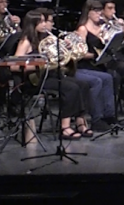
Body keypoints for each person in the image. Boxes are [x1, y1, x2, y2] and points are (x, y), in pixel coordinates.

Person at [14, 9, 89, 138]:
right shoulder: (26, 42)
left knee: (82, 84)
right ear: (33, 24)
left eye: (45, 21)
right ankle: (64, 126)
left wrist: (67, 48)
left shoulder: (47, 38)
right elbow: (15, 66)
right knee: (70, 88)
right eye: (41, 22)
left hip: (51, 76)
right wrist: (40, 64)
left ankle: (80, 121)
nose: (45, 24)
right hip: (35, 80)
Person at [71, 0, 120, 131]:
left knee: (111, 77)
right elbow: (79, 53)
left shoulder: (102, 27)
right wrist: (95, 54)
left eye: (100, 10)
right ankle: (97, 119)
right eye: (96, 11)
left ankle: (109, 116)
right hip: (85, 66)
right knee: (98, 80)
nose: (100, 13)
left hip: (99, 64)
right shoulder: (83, 29)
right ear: (89, 12)